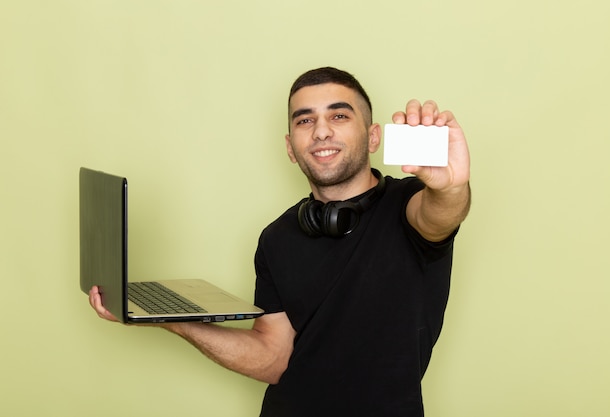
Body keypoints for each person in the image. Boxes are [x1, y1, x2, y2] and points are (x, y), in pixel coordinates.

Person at [89, 66, 471, 416]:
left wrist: (451, 187)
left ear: (373, 137)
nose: (321, 131)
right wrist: (167, 319)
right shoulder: (276, 237)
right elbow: (273, 358)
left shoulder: (408, 205)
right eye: (306, 120)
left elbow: (439, 215)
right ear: (291, 147)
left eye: (339, 115)